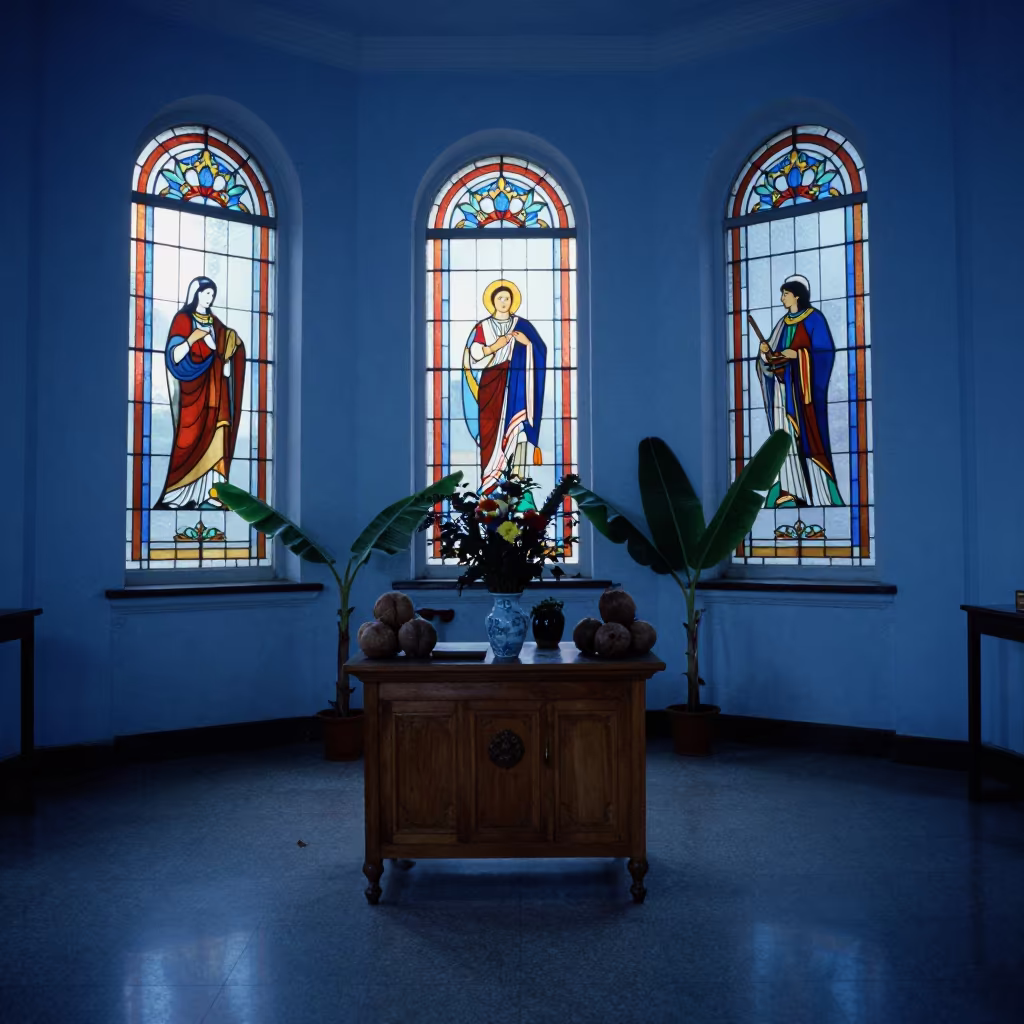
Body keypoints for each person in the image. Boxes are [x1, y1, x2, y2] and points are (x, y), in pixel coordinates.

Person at [154, 276, 246, 510]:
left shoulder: (216, 323)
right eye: (206, 294)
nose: (210, 298)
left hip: (217, 391)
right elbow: (173, 357)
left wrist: (233, 345)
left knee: (218, 435)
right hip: (193, 393)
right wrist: (191, 340)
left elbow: (228, 346)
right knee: (188, 439)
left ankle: (214, 492)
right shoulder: (183, 320)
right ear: (195, 294)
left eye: (212, 295)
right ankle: (178, 493)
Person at [754, 274, 844, 508]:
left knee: (806, 439)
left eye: (785, 294)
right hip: (783, 394)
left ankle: (816, 493)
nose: (782, 298)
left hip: (805, 397)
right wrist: (766, 352)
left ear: (797, 295)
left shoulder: (815, 319)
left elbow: (824, 353)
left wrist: (798, 355)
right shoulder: (783, 323)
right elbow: (770, 358)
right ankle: (789, 492)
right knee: (785, 440)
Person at [462, 280, 547, 493]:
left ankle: (517, 483)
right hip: (491, 384)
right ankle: (491, 482)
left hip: (517, 385)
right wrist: (494, 347)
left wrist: (527, 343)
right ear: (492, 301)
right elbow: (474, 354)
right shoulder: (483, 326)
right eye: (499, 298)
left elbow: (540, 350)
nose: (503, 302)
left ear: (512, 301)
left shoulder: (522, 325)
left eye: (507, 298)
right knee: (491, 433)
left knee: (517, 431)